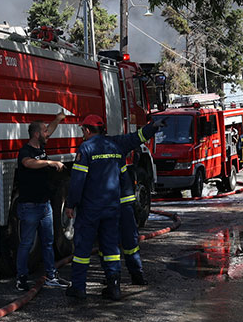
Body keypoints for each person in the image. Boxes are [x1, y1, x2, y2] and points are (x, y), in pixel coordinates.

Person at [64, 114, 162, 301]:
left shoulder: (86, 148)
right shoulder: (115, 147)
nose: (82, 134)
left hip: (90, 209)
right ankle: (114, 286)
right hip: (112, 207)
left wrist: (70, 204)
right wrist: (152, 127)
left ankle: (78, 288)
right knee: (110, 247)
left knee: (83, 248)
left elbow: (78, 181)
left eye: (83, 130)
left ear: (87, 130)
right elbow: (134, 142)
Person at [14, 112, 70, 291]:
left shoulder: (41, 147)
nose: (48, 134)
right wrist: (49, 163)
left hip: (45, 206)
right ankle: (21, 278)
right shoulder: (26, 151)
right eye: (45, 131)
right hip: (29, 206)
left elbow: (50, 129)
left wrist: (58, 119)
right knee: (26, 244)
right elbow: (28, 163)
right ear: (36, 134)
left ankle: (51, 276)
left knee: (48, 242)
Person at [116, 166, 146, 285]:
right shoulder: (119, 157)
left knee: (109, 243)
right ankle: (137, 274)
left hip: (109, 204)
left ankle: (113, 277)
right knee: (130, 241)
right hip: (125, 202)